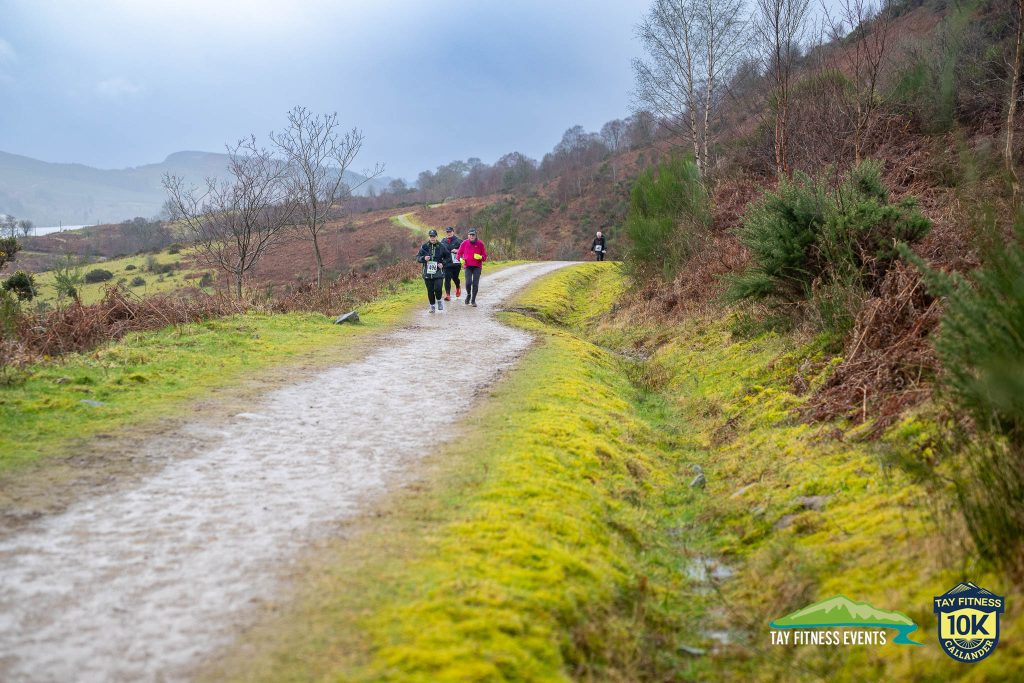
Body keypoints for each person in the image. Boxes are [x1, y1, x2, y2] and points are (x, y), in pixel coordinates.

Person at [416, 228, 451, 313]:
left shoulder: (441, 246)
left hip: (438, 272)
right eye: (431, 236)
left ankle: (439, 300)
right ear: (429, 237)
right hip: (427, 273)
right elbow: (418, 257)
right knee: (430, 290)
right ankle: (432, 306)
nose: (432, 238)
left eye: (434, 236)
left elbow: (448, 257)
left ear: (436, 237)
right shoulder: (424, 246)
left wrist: (443, 263)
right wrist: (423, 258)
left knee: (438, 288)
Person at [456, 227, 487, 307]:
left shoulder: (480, 244)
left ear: (476, 235)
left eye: (473, 235)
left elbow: (485, 256)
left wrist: (480, 257)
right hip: (468, 266)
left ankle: (473, 300)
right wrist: (460, 259)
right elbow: (458, 254)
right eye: (470, 235)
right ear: (468, 235)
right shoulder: (464, 243)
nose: (472, 236)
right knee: (468, 283)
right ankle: (469, 294)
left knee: (475, 284)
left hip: (477, 266)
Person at [441, 226, 463, 301]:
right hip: (446, 263)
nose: (449, 233)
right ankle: (448, 295)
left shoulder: (459, 241)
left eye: (450, 232)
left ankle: (458, 287)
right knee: (447, 279)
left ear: (453, 232)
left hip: (456, 264)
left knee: (455, 278)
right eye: (447, 232)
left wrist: (458, 250)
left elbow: (465, 250)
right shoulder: (443, 241)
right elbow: (440, 251)